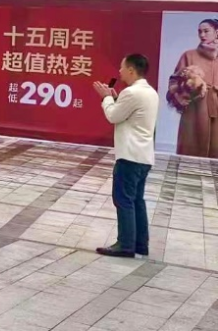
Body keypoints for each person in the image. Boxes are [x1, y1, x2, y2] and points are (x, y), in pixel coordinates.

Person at [92, 54, 159, 258]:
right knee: (136, 200)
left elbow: (113, 116)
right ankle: (140, 244)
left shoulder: (131, 92)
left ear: (131, 70)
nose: (119, 72)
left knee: (124, 200)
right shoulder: (150, 92)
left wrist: (106, 98)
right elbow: (127, 115)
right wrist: (115, 99)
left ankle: (126, 244)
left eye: (122, 68)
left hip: (130, 155)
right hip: (143, 155)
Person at [166, 19, 218, 158]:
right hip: (194, 112)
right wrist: (188, 88)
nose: (202, 35)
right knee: (191, 153)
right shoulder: (189, 55)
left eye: (206, 31)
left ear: (217, 32)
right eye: (200, 31)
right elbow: (174, 82)